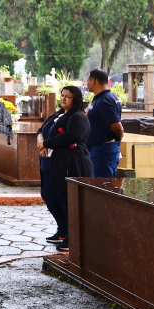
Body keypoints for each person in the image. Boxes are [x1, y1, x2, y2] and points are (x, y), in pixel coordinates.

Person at [37, 86, 91, 251]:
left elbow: (73, 136)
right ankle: (62, 230)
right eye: (62, 96)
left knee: (65, 199)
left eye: (68, 96)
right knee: (49, 196)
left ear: (76, 99)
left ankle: (71, 236)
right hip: (51, 163)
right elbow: (41, 130)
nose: (63, 99)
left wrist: (46, 143)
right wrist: (41, 141)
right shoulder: (56, 115)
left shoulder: (78, 117)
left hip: (69, 164)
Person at [85, 68, 124, 178]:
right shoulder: (101, 98)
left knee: (102, 186)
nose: (87, 83)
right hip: (99, 148)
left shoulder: (104, 100)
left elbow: (117, 127)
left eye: (87, 80)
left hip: (103, 150)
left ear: (93, 81)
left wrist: (116, 142)